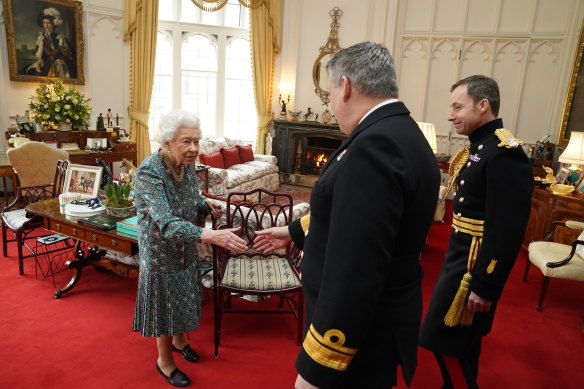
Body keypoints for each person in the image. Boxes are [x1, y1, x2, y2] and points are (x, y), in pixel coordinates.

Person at [253, 41, 441, 388]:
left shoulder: (374, 146)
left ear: (345, 86)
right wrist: (294, 231)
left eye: (328, 93)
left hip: (358, 333)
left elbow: (357, 264)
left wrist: (321, 361)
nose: (330, 104)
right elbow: (353, 214)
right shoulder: (399, 132)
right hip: (381, 317)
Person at [418, 75, 533, 389]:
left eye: (458, 106)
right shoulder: (480, 147)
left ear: (483, 106)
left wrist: (487, 283)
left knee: (443, 336)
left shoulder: (504, 154)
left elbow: (507, 230)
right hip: (460, 257)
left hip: (473, 266)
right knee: (462, 341)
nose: (450, 115)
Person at [132, 110, 247, 387]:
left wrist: (207, 207)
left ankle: (180, 341)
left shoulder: (186, 168)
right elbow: (166, 223)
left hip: (185, 247)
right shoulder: (150, 171)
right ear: (167, 141)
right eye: (187, 142)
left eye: (197, 141)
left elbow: (193, 200)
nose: (194, 148)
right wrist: (209, 235)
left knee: (183, 294)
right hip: (160, 253)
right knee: (166, 305)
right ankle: (165, 361)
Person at [26, 7, 73, 78]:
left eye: (48, 23)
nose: (46, 25)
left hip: (57, 64)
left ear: (53, 24)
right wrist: (38, 63)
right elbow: (41, 56)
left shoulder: (60, 38)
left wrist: (62, 60)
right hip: (45, 64)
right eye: (44, 23)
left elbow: (67, 55)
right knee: (30, 71)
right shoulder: (41, 37)